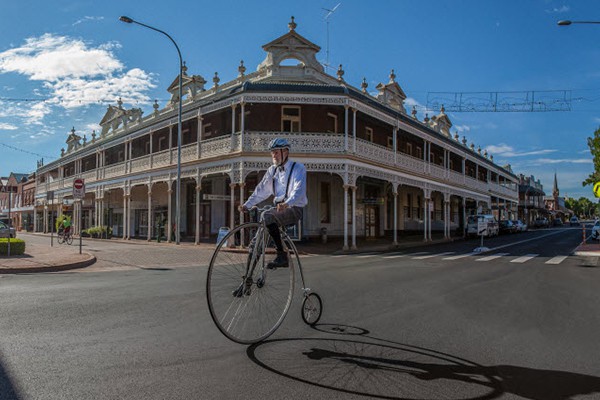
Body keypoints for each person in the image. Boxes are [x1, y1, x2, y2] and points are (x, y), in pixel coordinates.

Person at [239, 138, 307, 269]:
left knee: (267, 216)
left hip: (294, 208)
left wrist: (287, 203)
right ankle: (246, 283)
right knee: (255, 245)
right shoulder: (272, 170)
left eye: (276, 152)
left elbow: (298, 191)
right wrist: (247, 205)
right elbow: (261, 190)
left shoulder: (298, 168)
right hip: (277, 209)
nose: (273, 155)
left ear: (285, 152)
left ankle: (282, 256)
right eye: (272, 153)